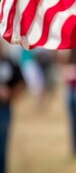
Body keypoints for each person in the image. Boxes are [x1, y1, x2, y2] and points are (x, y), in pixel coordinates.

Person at [0, 41, 25, 173]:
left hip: (4, 109)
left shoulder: (10, 63)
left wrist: (10, 94)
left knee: (2, 143)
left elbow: (21, 83)